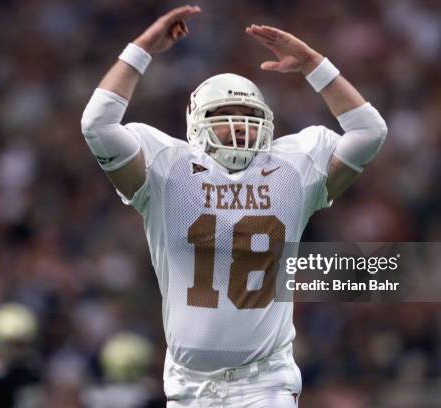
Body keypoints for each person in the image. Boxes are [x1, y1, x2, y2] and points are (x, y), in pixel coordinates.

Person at [81, 5, 387, 407]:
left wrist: (314, 65)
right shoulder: (167, 168)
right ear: (195, 122)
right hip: (188, 388)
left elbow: (370, 131)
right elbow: (97, 125)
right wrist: (141, 49)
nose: (240, 124)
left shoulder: (291, 165)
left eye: (249, 115)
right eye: (225, 115)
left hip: (265, 383)